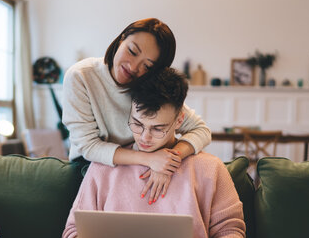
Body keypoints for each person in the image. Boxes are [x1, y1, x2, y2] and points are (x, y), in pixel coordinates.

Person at [17, 68, 246, 238]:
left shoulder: (209, 168)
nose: (145, 137)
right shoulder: (105, 165)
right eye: (137, 124)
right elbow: (71, 235)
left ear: (180, 120)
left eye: (158, 128)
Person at [62, 18, 211, 204]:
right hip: (90, 164)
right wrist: (150, 160)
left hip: (141, 164)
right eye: (132, 51)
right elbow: (88, 146)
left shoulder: (147, 85)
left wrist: (169, 159)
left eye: (147, 66)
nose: (133, 67)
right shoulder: (81, 76)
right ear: (121, 38)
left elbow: (201, 130)